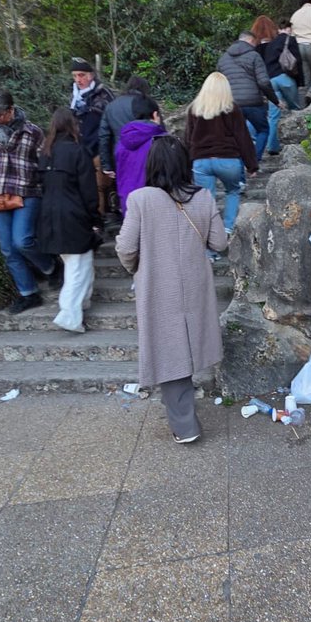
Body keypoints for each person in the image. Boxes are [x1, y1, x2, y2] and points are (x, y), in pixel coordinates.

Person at [115, 134, 228, 443]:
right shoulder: (203, 196)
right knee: (183, 345)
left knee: (168, 349)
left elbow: (125, 247)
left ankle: (185, 426)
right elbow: (219, 242)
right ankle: (181, 412)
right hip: (194, 283)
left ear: (152, 165)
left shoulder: (140, 199)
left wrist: (137, 267)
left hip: (157, 285)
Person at [0, 87, 61, 314]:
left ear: (11, 109)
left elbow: (44, 161)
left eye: (0, 114)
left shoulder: (32, 131)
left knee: (22, 241)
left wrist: (37, 183)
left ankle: (51, 266)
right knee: (8, 250)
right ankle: (28, 293)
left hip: (27, 191)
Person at [36, 108, 102, 333]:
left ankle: (83, 303)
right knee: (78, 266)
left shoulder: (45, 153)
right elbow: (89, 191)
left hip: (49, 216)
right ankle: (69, 313)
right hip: (74, 215)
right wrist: (95, 218)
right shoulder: (78, 151)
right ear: (73, 125)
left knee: (76, 263)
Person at [184, 71, 258, 239]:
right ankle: (228, 228)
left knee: (206, 201)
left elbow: (188, 138)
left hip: (201, 161)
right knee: (232, 191)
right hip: (228, 160)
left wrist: (186, 165)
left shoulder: (195, 109)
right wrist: (251, 165)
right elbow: (243, 137)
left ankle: (209, 240)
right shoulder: (232, 109)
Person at [216, 29, 281, 161]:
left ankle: (240, 176)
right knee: (263, 130)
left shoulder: (223, 59)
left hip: (231, 104)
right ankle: (253, 161)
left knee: (236, 135)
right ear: (251, 41)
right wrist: (275, 101)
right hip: (253, 103)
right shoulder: (254, 56)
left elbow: (218, 82)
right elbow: (264, 82)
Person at [98, 74, 153, 222]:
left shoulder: (111, 106)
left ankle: (128, 223)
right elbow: (156, 128)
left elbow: (103, 136)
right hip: (145, 154)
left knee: (125, 190)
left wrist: (106, 164)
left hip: (120, 154)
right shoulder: (146, 103)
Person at [68, 56, 114, 218]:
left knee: (99, 187)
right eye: (75, 76)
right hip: (81, 149)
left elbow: (108, 123)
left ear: (91, 75)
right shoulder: (74, 97)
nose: (78, 79)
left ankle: (100, 221)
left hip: (99, 148)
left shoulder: (103, 94)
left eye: (81, 75)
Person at [258, 17, 302, 156]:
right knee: (296, 109)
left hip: (271, 81)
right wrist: (301, 83)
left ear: (279, 29)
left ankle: (272, 147)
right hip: (285, 79)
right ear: (289, 29)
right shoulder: (291, 40)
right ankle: (299, 143)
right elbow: (297, 62)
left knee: (273, 115)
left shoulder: (271, 44)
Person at [114, 97, 168, 209]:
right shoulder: (161, 140)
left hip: (128, 202)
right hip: (155, 204)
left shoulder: (121, 142)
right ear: (155, 114)